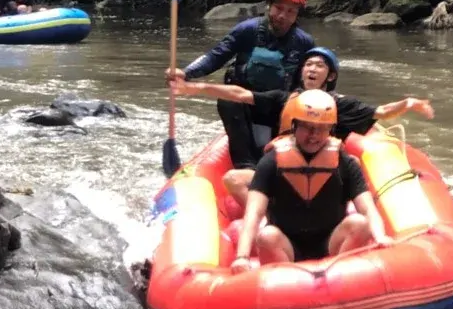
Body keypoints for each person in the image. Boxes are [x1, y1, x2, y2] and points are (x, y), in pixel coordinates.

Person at [169, 46, 434, 205]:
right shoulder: (283, 99)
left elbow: (381, 112)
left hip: (323, 175)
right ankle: (267, 217)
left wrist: (408, 103)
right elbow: (239, 94)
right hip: (281, 173)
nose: (312, 69)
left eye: (320, 66)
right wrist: (195, 88)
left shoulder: (340, 105)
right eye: (308, 64)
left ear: (330, 76)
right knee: (233, 179)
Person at [230, 89, 391, 272]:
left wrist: (380, 237)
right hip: (286, 244)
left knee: (360, 223)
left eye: (321, 128)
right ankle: (287, 286)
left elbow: (367, 208)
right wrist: (242, 257)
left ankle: (338, 278)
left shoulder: (344, 162)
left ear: (331, 130)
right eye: (307, 126)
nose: (313, 135)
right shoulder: (271, 161)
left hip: (331, 242)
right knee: (267, 235)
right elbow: (254, 212)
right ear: (294, 125)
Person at [165, 0, 315, 171]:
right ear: (268, 6)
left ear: (297, 15)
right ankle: (245, 166)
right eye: (278, 8)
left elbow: (313, 79)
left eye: (290, 11)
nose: (282, 16)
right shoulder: (247, 30)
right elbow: (216, 56)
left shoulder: (304, 43)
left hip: (278, 107)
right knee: (228, 100)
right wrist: (185, 74)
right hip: (243, 104)